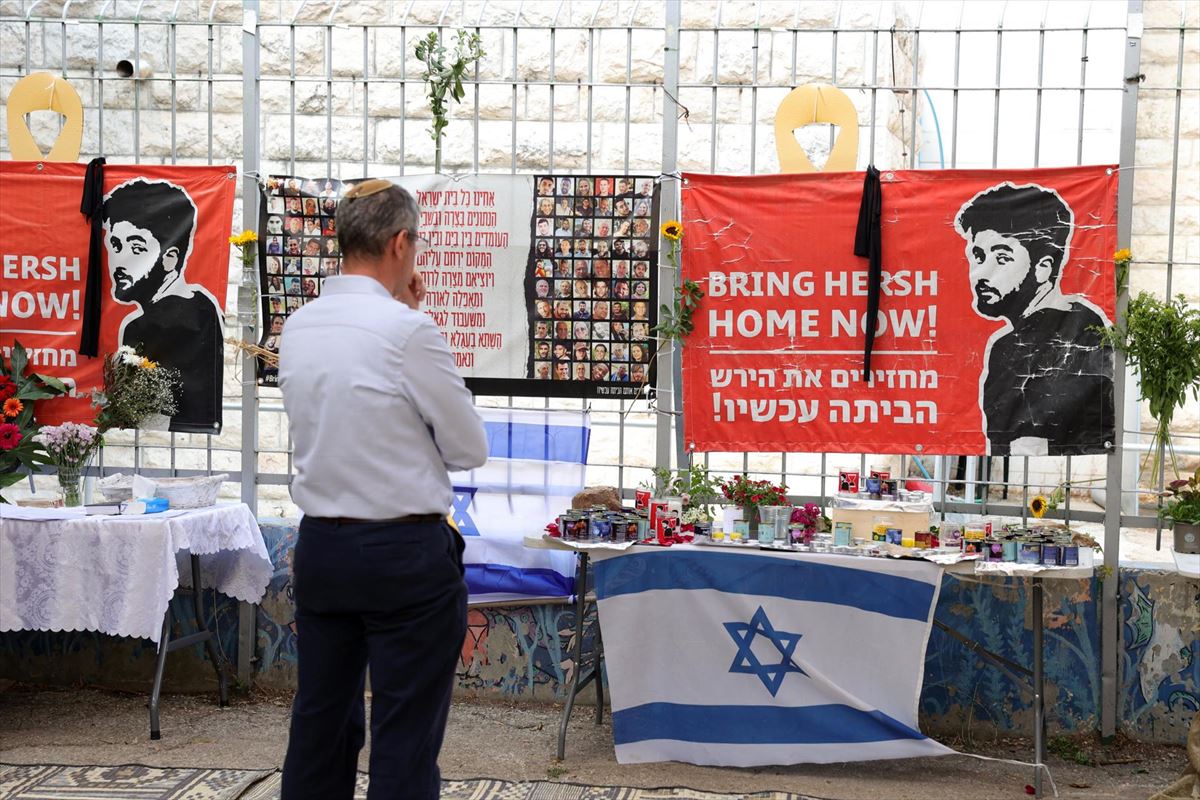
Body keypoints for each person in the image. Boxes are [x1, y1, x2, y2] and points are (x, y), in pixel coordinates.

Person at [277, 179, 488, 800]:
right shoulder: (407, 333)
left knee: (320, 726)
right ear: (400, 243)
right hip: (402, 555)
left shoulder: (300, 325)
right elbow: (468, 448)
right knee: (405, 736)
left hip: (321, 547)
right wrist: (415, 321)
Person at [954, 182, 1114, 456]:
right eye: (978, 256)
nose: (981, 273)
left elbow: (1025, 449)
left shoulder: (1019, 345)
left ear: (1044, 268)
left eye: (1001, 258)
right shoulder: (1087, 322)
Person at [103, 178, 223, 434]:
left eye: (136, 248)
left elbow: (139, 415)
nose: (120, 261)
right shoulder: (204, 305)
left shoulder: (142, 326)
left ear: (170, 259)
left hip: (166, 439)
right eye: (115, 245)